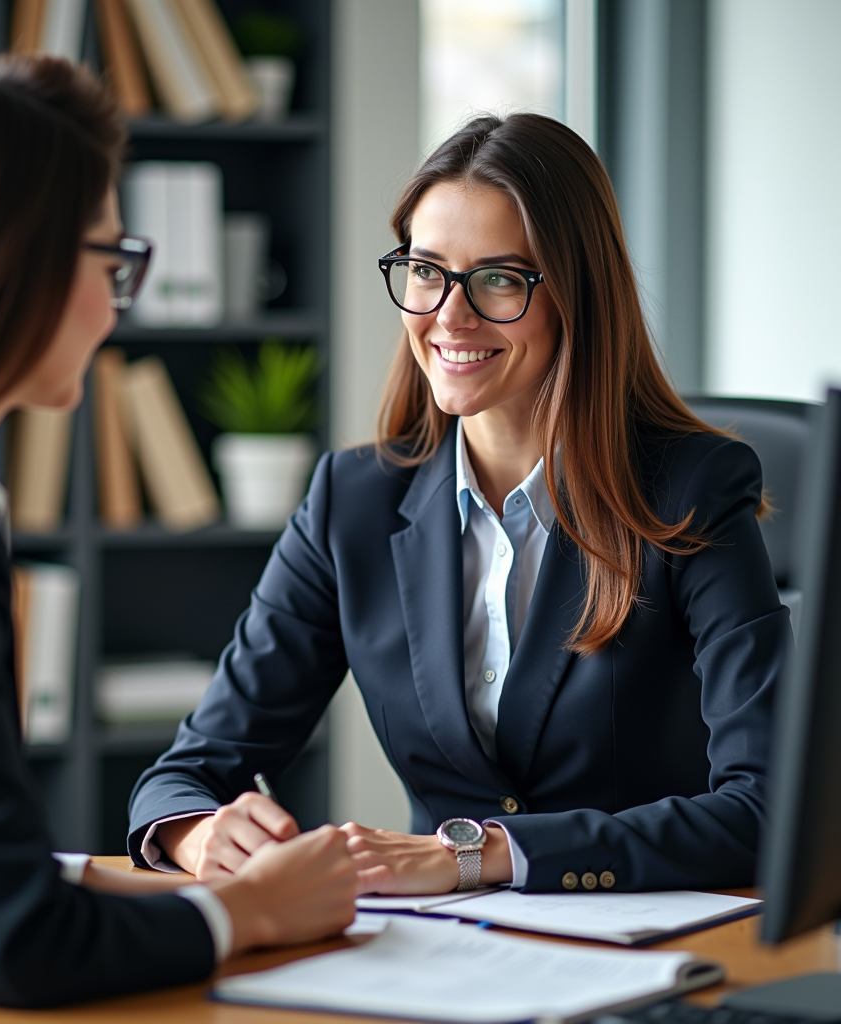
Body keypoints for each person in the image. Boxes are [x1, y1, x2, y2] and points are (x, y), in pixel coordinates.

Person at [0, 53, 357, 1024]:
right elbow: (15, 942)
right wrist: (247, 911)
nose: (120, 302)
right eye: (111, 260)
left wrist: (158, 891)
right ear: (5, 258)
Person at [129, 113, 790, 899]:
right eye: (425, 270)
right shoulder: (353, 503)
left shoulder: (692, 490)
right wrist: (200, 833)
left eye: (500, 279)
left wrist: (479, 855)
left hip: (650, 953)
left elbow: (768, 805)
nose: (449, 313)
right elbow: (185, 775)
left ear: (577, 294)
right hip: (442, 959)